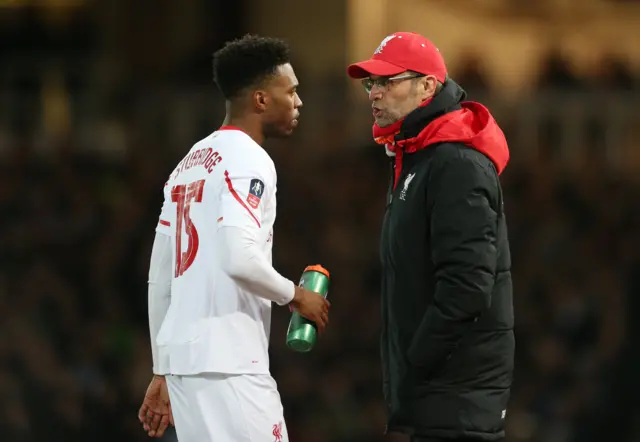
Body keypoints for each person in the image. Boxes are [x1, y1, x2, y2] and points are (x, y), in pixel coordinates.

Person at [137, 34, 330, 442]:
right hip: (231, 364)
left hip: (187, 369)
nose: (299, 102)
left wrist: (162, 366)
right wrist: (295, 294)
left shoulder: (188, 163)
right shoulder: (249, 159)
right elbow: (238, 257)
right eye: (291, 91)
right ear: (261, 99)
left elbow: (159, 277)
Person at [346, 32, 514, 442]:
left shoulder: (455, 163)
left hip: (455, 395)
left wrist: (415, 362)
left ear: (427, 86)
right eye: (371, 83)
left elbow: (467, 286)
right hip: (438, 395)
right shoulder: (419, 155)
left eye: (387, 81)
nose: (374, 93)